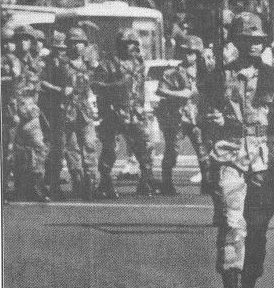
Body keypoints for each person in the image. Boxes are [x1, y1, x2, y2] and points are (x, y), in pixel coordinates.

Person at [202, 13, 274, 288]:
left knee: (257, 231)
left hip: (264, 160)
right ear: (236, 43)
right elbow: (204, 115)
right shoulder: (218, 76)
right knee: (232, 226)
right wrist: (212, 126)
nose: (253, 45)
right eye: (247, 40)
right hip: (229, 155)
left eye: (258, 40)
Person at [92, 29, 159, 198]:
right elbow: (95, 86)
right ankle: (105, 182)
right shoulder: (108, 64)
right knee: (110, 149)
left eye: (133, 44)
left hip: (135, 113)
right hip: (113, 112)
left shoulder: (138, 63)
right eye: (127, 44)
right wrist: (113, 86)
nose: (131, 47)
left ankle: (146, 181)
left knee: (145, 146)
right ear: (119, 46)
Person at [42, 29, 98, 200]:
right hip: (65, 111)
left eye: (79, 42)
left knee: (89, 144)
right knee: (67, 149)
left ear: (85, 44)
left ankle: (90, 182)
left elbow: (96, 85)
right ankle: (73, 182)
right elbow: (43, 81)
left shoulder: (90, 64)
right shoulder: (59, 63)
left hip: (85, 111)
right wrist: (60, 90)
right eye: (72, 42)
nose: (76, 45)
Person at [156, 33, 210, 196]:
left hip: (198, 118)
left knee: (204, 153)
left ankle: (207, 183)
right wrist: (181, 94)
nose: (189, 56)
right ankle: (166, 183)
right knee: (172, 152)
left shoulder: (205, 72)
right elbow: (160, 90)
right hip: (178, 118)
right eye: (186, 52)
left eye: (192, 52)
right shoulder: (172, 73)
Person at [9, 25, 49, 201]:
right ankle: (16, 187)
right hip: (11, 115)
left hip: (31, 114)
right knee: (14, 153)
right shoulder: (8, 61)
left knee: (38, 148)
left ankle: (36, 186)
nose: (22, 42)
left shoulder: (36, 64)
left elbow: (38, 88)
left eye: (26, 39)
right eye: (19, 39)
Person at [1, 28, 20, 199]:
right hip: (1, 107)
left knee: (9, 150)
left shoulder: (16, 60)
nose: (8, 45)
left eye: (11, 42)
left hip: (11, 109)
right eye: (5, 42)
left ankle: (5, 187)